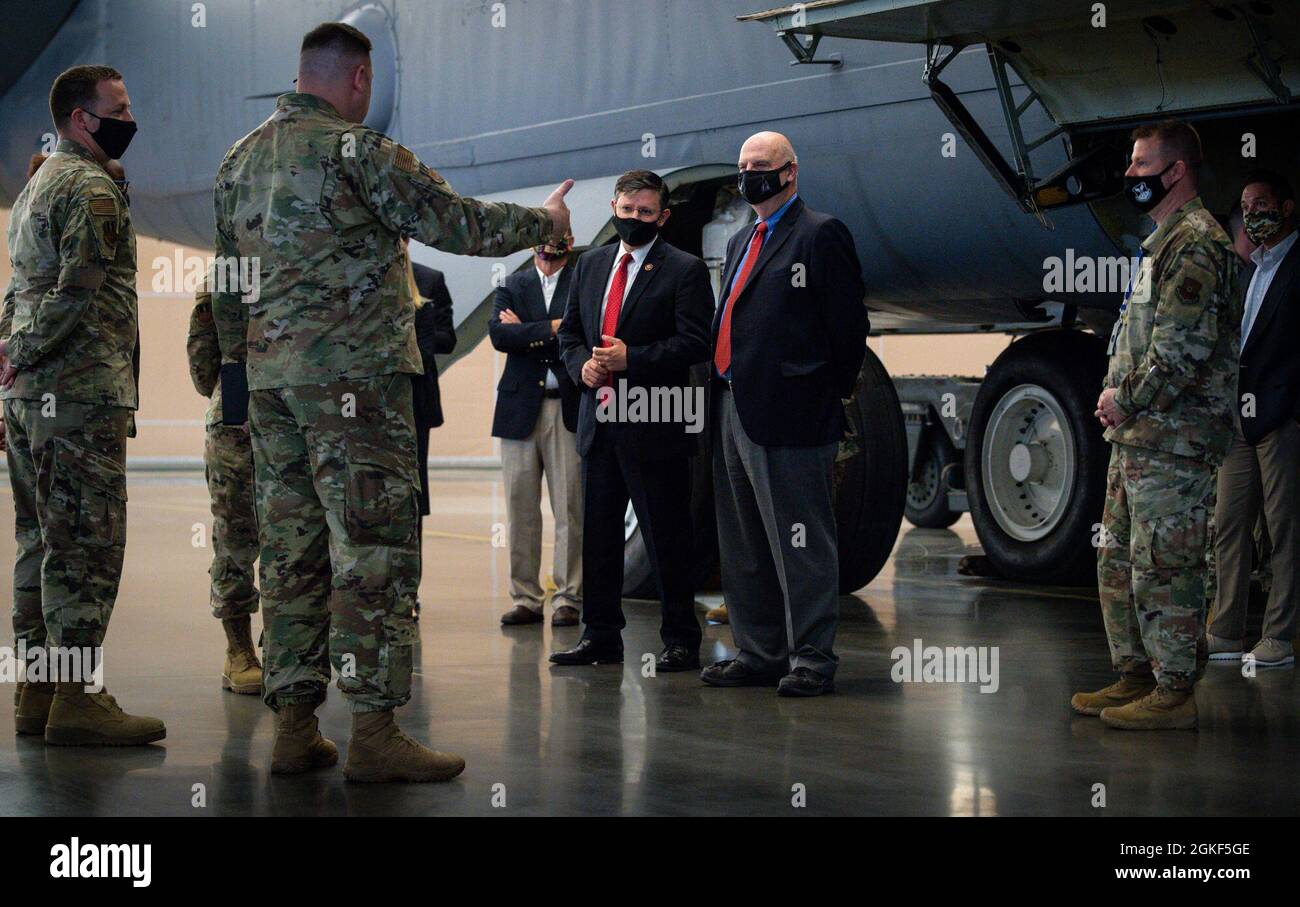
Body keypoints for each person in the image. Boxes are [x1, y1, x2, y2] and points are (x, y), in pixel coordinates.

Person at [211, 22, 572, 781]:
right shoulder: (359, 152)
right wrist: (546, 223)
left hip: (272, 390)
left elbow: (227, 289)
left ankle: (294, 727)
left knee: (291, 554)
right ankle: (374, 731)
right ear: (360, 80)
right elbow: (457, 222)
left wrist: (239, 384)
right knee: (373, 551)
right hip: (354, 388)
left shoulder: (237, 161)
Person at [0, 64, 165, 745]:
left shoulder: (36, 183)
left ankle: (36, 691)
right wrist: (25, 351)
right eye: (117, 109)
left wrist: (10, 360)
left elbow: (23, 290)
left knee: (39, 539)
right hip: (76, 393)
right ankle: (78, 697)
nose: (128, 120)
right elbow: (76, 292)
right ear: (80, 118)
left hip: (30, 396)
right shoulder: (91, 188)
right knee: (86, 544)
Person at [1072, 119, 1238, 730]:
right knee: (1118, 559)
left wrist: (1126, 399)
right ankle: (1135, 674)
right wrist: (1118, 403)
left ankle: (1174, 691)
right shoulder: (1162, 243)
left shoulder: (1195, 245)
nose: (1129, 176)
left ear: (1176, 172)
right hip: (1139, 439)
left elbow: (1179, 354)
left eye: (1141, 166)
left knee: (1167, 565)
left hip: (1173, 440)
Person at [699, 132, 868, 697]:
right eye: (744, 167)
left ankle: (812, 659)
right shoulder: (742, 236)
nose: (750, 175)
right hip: (733, 405)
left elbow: (848, 331)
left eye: (762, 166)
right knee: (743, 543)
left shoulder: (820, 235)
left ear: (790, 172)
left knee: (801, 542)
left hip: (793, 414)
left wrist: (817, 392)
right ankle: (760, 650)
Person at [553, 170, 713, 670]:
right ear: (614, 208)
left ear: (662, 217)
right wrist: (581, 365)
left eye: (646, 213)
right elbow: (570, 334)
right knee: (599, 538)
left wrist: (633, 359)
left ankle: (681, 639)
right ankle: (600, 635)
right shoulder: (591, 264)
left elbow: (696, 343)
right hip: (599, 421)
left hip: (656, 423)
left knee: (666, 538)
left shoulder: (684, 270)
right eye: (627, 211)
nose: (635, 220)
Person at [1206, 170, 1300, 668]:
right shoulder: (1250, 270)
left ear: (1287, 207)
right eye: (1245, 206)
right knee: (1229, 525)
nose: (1251, 215)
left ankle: (1279, 638)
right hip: (1239, 422)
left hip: (1281, 419)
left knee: (1284, 530)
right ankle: (1224, 633)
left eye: (1261, 204)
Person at [489, 234, 583, 628]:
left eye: (558, 238)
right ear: (530, 244)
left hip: (567, 406)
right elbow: (499, 336)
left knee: (570, 508)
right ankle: (526, 597)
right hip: (519, 409)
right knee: (520, 509)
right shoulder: (511, 284)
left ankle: (568, 597)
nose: (549, 247)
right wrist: (554, 327)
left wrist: (527, 330)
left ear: (571, 241)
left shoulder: (582, 279)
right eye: (543, 238)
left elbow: (583, 332)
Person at [187, 278, 262, 694]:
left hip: (250, 407)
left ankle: (273, 649)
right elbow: (202, 370)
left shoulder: (221, 279)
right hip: (249, 415)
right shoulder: (306, 262)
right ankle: (240, 651)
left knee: (250, 536)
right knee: (241, 534)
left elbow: (202, 370)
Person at [408, 249, 457, 618]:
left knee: (413, 498)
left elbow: (447, 338)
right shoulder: (358, 274)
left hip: (415, 403)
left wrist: (415, 332)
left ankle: (410, 590)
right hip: (366, 404)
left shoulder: (429, 278)